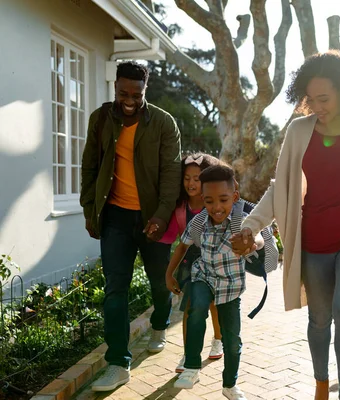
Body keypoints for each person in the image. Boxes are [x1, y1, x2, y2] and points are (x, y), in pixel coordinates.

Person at [233, 51, 340, 400]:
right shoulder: (299, 131)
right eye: (310, 99)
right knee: (320, 320)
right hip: (314, 242)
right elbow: (282, 187)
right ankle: (322, 382)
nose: (316, 106)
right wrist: (251, 225)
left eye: (324, 98)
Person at [80, 61, 181, 392]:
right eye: (123, 92)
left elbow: (171, 175)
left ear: (144, 91)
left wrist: (162, 215)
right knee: (115, 289)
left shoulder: (163, 124)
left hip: (153, 217)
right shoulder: (101, 119)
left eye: (135, 94)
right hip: (115, 217)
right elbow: (89, 166)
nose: (129, 100)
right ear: (115, 88)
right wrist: (89, 209)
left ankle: (159, 325)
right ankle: (118, 363)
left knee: (159, 282)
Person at [165, 164, 262, 399]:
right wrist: (169, 274)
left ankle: (230, 385)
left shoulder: (241, 221)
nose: (216, 207)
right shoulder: (199, 222)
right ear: (203, 199)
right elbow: (182, 246)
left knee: (232, 340)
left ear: (235, 197)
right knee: (196, 309)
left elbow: (258, 239)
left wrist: (251, 243)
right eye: (209, 201)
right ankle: (191, 367)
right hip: (204, 277)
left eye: (223, 200)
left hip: (230, 287)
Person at [158, 152, 226, 373]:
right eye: (187, 178)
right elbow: (172, 239)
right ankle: (188, 355)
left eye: (197, 178)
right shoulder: (180, 207)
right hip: (189, 264)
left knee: (214, 304)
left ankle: (218, 338)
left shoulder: (213, 205)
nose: (191, 183)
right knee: (189, 308)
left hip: (214, 261)